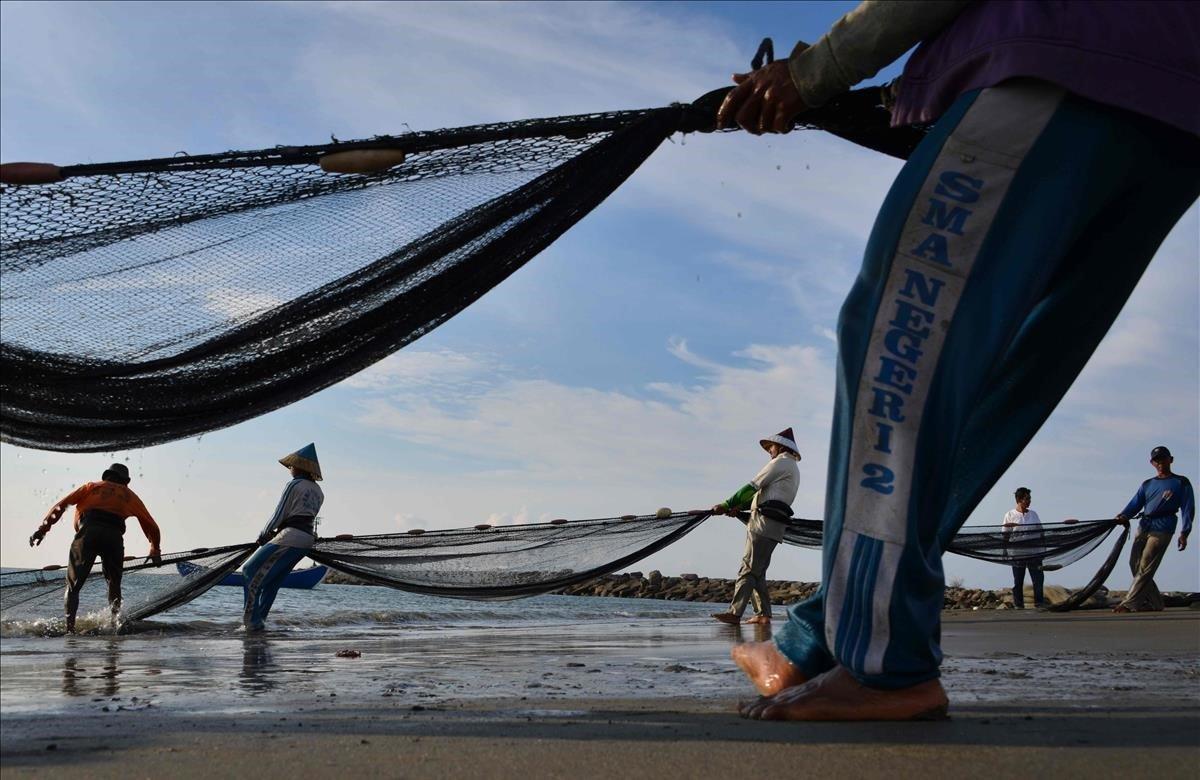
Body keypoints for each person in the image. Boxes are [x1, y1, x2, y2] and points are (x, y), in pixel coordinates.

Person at [717, 1, 1199, 720]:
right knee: (999, 374)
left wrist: (815, 71)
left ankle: (886, 664)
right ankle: (817, 636)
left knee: (897, 337)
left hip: (1062, 55)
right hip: (1175, 109)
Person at [28, 463, 162, 633]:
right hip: (113, 537)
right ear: (125, 482)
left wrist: (42, 530)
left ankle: (70, 631)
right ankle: (114, 626)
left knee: (73, 587)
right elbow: (151, 525)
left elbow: (60, 506)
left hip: (87, 534)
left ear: (106, 477)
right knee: (114, 584)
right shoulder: (129, 495)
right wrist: (155, 549)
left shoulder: (90, 487)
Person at [711, 428, 802, 626]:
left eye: (771, 447)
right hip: (775, 525)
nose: (769, 451)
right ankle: (763, 615)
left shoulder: (780, 462)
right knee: (758, 571)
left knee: (748, 568)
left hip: (763, 523)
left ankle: (734, 613)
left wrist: (726, 504)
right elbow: (761, 495)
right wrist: (738, 507)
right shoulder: (792, 467)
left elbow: (752, 486)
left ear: (780, 447)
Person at [242, 443, 325, 630]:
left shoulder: (294, 484)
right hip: (306, 539)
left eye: (292, 465)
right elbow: (302, 515)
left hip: (290, 536)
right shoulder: (319, 492)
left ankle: (252, 622)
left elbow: (280, 513)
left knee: (249, 570)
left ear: (301, 467)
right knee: (273, 581)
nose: (290, 469)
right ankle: (260, 620)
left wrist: (264, 534)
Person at [1113, 446, 1194, 613]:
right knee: (1134, 564)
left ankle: (1129, 603)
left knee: (1146, 564)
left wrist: (1185, 532)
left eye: (1163, 459)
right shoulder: (1147, 484)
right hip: (1144, 526)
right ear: (1151, 463)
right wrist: (1123, 515)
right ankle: (1156, 603)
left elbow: (1188, 508)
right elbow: (1135, 504)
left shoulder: (1181, 482)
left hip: (1163, 528)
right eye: (1156, 460)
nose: (1160, 463)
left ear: (1171, 459)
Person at [1002, 487, 1045, 609]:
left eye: (1030, 498)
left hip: (1034, 552)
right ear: (1019, 500)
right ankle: (1019, 604)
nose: (1029, 501)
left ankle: (1039, 603)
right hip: (1017, 553)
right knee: (1018, 580)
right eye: (1027, 498)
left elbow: (1041, 532)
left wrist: (1043, 548)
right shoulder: (1010, 515)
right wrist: (1004, 550)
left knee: (1038, 579)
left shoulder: (1033, 514)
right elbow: (1005, 534)